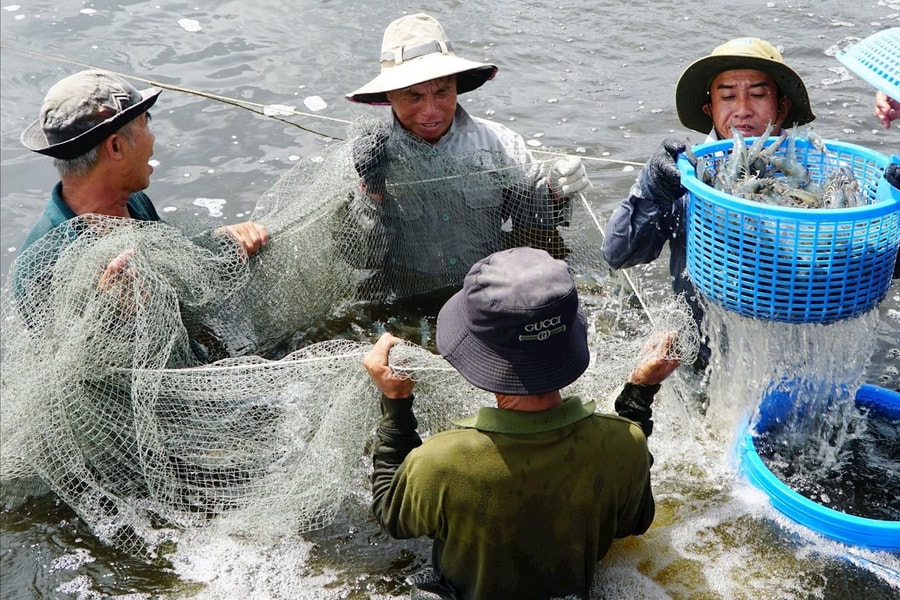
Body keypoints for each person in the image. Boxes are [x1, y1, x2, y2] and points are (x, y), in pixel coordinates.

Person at [363, 247, 680, 600]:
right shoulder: (625, 443)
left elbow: (391, 512)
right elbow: (635, 523)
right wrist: (640, 391)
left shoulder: (440, 461)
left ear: (479, 354)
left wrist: (396, 403)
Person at [14, 69, 270, 358]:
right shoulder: (40, 264)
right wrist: (111, 319)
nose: (153, 139)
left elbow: (177, 263)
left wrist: (223, 243)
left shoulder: (135, 202)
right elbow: (67, 377)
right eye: (145, 125)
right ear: (115, 146)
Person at [341, 13, 590, 300]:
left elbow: (533, 218)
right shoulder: (367, 156)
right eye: (414, 96)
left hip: (486, 292)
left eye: (442, 92)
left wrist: (556, 188)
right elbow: (360, 258)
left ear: (456, 86)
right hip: (405, 296)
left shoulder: (499, 143)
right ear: (389, 95)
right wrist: (371, 190)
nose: (431, 111)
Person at [601, 38, 816, 369]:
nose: (742, 109)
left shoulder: (814, 174)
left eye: (758, 95)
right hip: (703, 351)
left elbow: (878, 270)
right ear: (709, 110)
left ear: (783, 107)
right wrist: (653, 186)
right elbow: (618, 254)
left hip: (792, 351)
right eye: (727, 96)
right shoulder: (681, 173)